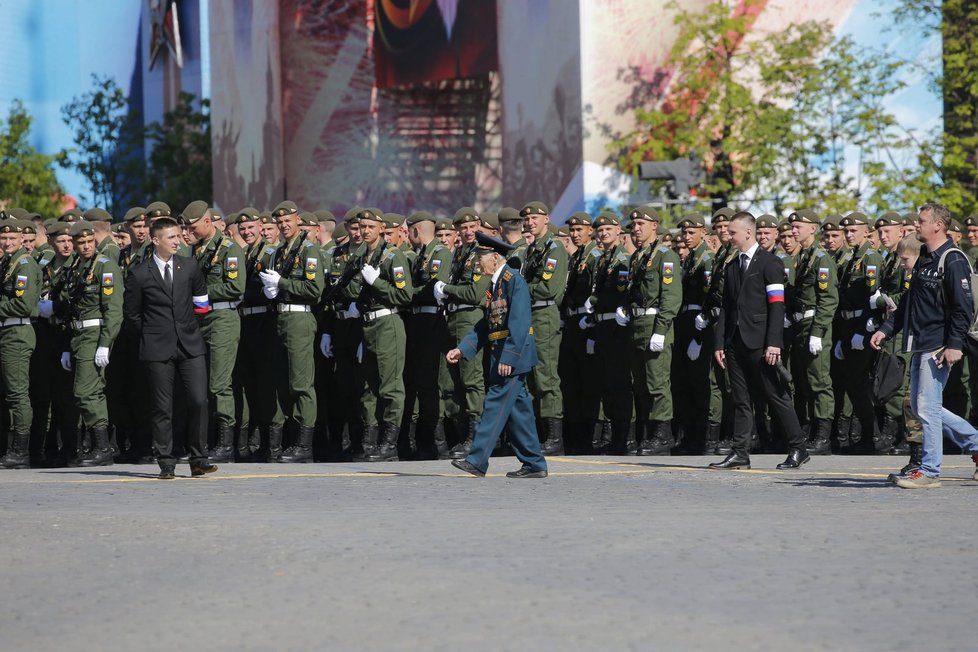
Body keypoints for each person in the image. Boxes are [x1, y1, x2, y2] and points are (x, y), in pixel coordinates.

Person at [871, 202, 978, 488]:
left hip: (939, 345)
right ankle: (976, 444)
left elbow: (962, 307)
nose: (916, 225)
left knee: (927, 407)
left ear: (937, 226)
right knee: (923, 407)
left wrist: (954, 344)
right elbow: (909, 302)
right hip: (920, 341)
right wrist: (886, 329)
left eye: (921, 221)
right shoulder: (925, 259)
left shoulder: (952, 260)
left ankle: (929, 471)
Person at [710, 212, 809, 470]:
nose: (728, 236)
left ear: (747, 233)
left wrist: (773, 343)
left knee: (776, 395)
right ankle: (740, 451)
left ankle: (798, 447)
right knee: (741, 399)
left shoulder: (770, 263)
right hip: (735, 341)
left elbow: (777, 306)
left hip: (761, 341)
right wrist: (720, 343)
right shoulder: (732, 265)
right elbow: (727, 308)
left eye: (732, 232)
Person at [446, 232, 547, 479]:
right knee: (519, 412)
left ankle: (477, 460)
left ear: (494, 258)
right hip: (501, 355)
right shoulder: (497, 285)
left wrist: (509, 358)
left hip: (512, 357)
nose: (476, 263)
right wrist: (464, 348)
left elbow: (520, 323)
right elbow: (487, 324)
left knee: (493, 406)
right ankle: (534, 463)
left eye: (480, 258)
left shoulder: (514, 281)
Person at [122, 217, 216, 479]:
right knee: (163, 406)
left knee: (198, 400)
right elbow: (131, 315)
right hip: (157, 347)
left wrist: (189, 326)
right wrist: (152, 335)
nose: (178, 240)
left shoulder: (189, 266)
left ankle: (199, 458)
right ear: (156, 240)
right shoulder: (139, 273)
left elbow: (201, 303)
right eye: (171, 237)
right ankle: (166, 461)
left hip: (190, 344)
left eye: (178, 236)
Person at [53, 221, 124, 467]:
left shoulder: (105, 266)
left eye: (89, 242)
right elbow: (69, 310)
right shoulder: (75, 268)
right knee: (89, 392)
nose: (85, 247)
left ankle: (103, 447)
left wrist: (105, 343)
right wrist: (65, 346)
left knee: (85, 391)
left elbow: (113, 310)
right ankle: (100, 447)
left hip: (94, 335)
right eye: (80, 243)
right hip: (76, 336)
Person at [184, 200, 246, 462]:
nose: (189, 231)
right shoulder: (197, 251)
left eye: (193, 226)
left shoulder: (229, 248)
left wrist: (201, 293)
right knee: (203, 384)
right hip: (201, 320)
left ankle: (225, 444)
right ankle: (208, 442)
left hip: (222, 317)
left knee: (220, 384)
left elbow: (236, 287)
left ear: (207, 222)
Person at [0, 218, 42, 469]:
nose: (7, 242)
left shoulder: (23, 264)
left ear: (22, 239)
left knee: (17, 394)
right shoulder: (8, 262)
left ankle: (20, 451)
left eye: (12, 238)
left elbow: (24, 304)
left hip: (17, 331)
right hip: (7, 330)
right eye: (3, 238)